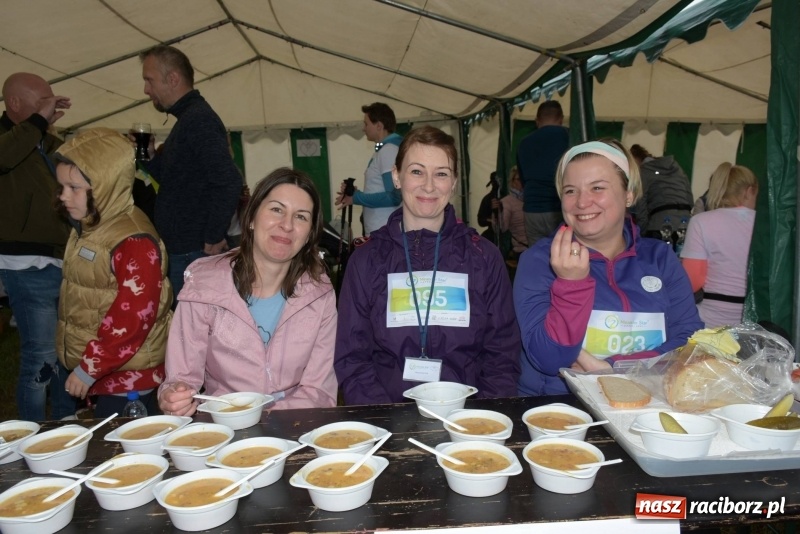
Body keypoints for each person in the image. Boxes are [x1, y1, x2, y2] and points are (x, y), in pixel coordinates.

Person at [335, 126, 521, 405]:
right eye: (417, 171)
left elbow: (502, 354)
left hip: (469, 418)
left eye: (441, 174)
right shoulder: (366, 260)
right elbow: (353, 358)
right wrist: (383, 420)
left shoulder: (484, 257)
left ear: (454, 182)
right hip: (388, 419)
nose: (429, 185)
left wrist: (479, 420)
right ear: (397, 177)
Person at [514, 140, 703, 396]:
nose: (582, 202)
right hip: (562, 412)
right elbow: (546, 358)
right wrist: (571, 285)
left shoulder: (659, 258)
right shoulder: (540, 261)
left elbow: (689, 340)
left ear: (629, 194)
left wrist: (615, 368)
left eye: (597, 188)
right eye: (570, 191)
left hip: (646, 402)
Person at [158, 168, 338, 416]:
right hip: (223, 427)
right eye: (276, 209)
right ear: (251, 217)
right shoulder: (204, 286)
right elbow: (181, 378)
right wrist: (174, 396)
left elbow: (319, 390)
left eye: (301, 217)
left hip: (293, 425)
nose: (286, 225)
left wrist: (268, 420)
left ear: (309, 235)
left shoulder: (320, 295)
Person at [53, 129, 172, 417]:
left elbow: (132, 319)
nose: (63, 197)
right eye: (61, 187)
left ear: (106, 185)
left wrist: (88, 368)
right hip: (105, 374)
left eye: (74, 188)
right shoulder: (94, 226)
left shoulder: (133, 241)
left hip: (129, 381)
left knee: (127, 454)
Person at [138, 45, 242, 302]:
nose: (146, 90)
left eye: (149, 80)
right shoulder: (186, 120)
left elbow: (228, 181)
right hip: (185, 250)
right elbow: (177, 181)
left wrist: (213, 236)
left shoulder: (198, 120)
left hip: (193, 253)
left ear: (172, 79)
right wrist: (151, 156)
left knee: (193, 334)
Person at [0, 72, 76, 421]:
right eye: (41, 99)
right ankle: (30, 435)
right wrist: (36, 123)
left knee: (63, 352)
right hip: (24, 262)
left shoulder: (40, 139)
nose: (50, 104)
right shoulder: (10, 138)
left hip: (58, 259)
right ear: (15, 103)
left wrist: (43, 128)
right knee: (41, 354)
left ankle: (63, 422)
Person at [680, 162, 758, 328]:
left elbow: (693, 282)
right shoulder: (766, 224)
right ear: (749, 191)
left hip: (712, 321)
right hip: (756, 321)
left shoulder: (701, 221)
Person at [335, 102, 403, 236]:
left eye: (366, 124)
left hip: (384, 232)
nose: (363, 129)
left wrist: (356, 198)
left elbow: (394, 196)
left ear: (379, 126)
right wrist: (354, 194)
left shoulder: (388, 151)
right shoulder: (384, 150)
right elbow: (381, 189)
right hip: (383, 231)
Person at [516, 100, 569, 247]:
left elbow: (522, 179)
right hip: (559, 208)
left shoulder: (524, 143)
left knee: (537, 257)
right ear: (561, 118)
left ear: (537, 120)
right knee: (563, 253)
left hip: (532, 209)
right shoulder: (569, 137)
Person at [629, 144, 694, 237]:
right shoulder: (677, 168)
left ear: (635, 161)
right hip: (685, 225)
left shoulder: (644, 172)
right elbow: (689, 198)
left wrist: (642, 234)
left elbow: (641, 208)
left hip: (660, 226)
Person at [498, 166, 528, 257]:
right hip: (522, 249)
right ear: (512, 181)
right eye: (519, 179)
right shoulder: (506, 202)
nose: (522, 183)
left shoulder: (531, 199)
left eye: (524, 179)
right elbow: (502, 227)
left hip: (538, 245)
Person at [476, 172, 500, 242]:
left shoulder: (508, 198)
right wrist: (491, 220)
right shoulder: (487, 199)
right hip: (492, 235)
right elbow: (480, 220)